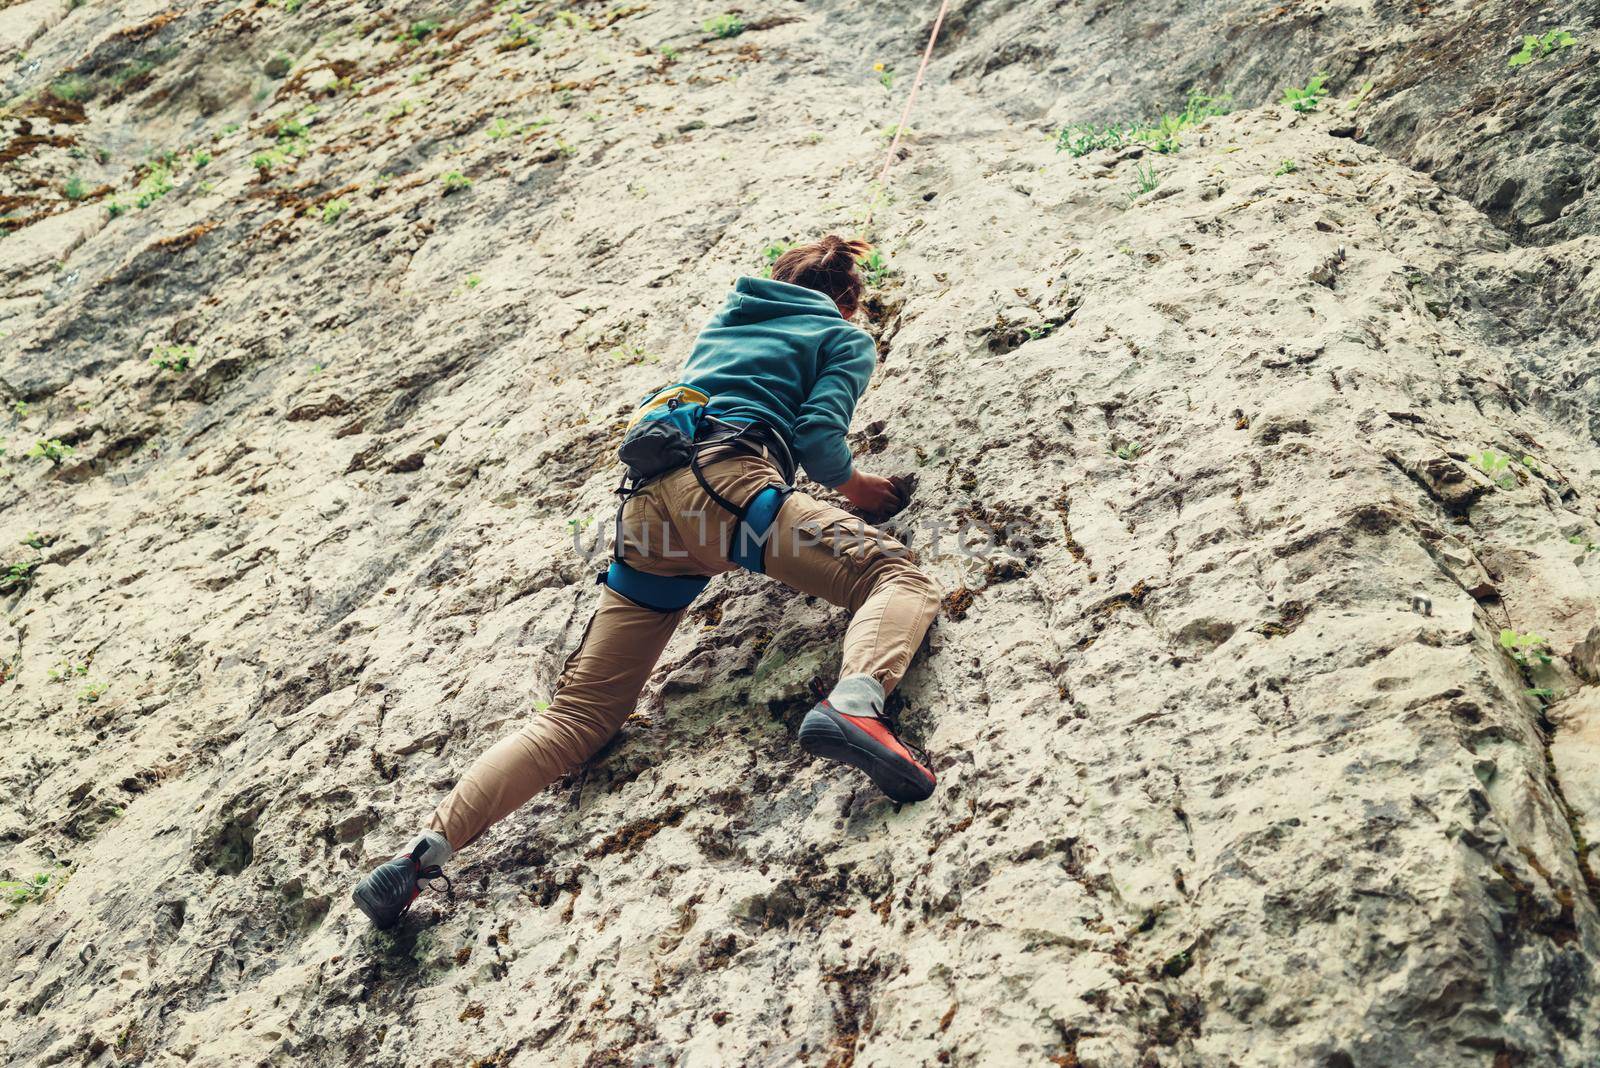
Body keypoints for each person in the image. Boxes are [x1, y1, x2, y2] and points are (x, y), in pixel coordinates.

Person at [353, 235, 941, 928]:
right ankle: (856, 704)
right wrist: (858, 488)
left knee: (579, 716)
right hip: (730, 493)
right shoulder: (841, 336)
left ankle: (417, 859)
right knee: (892, 574)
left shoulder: (727, 323)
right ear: (848, 300)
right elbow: (817, 437)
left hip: (645, 518)